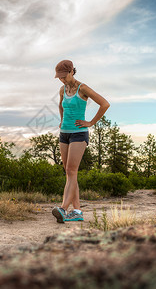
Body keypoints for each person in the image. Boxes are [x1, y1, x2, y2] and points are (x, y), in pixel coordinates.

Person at [52, 60, 110, 223]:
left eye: (64, 76)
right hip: (64, 134)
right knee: (70, 173)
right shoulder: (62, 90)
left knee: (71, 171)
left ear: (71, 71)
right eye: (59, 77)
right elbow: (61, 105)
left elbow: (104, 104)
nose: (62, 79)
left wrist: (91, 122)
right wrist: (62, 120)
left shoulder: (82, 88)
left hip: (79, 134)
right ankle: (77, 212)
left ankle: (63, 209)